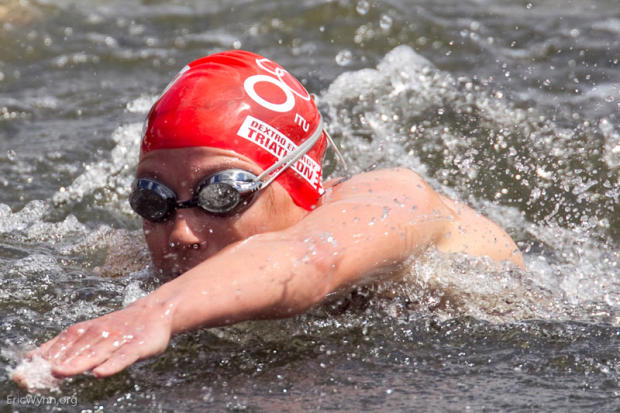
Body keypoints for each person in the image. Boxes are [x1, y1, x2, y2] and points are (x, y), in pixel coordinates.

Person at [28, 50, 524, 379]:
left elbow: (305, 260)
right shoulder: (135, 263)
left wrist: (153, 313)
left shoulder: (391, 200)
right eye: (153, 201)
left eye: (222, 194)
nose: (180, 232)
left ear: (300, 187)